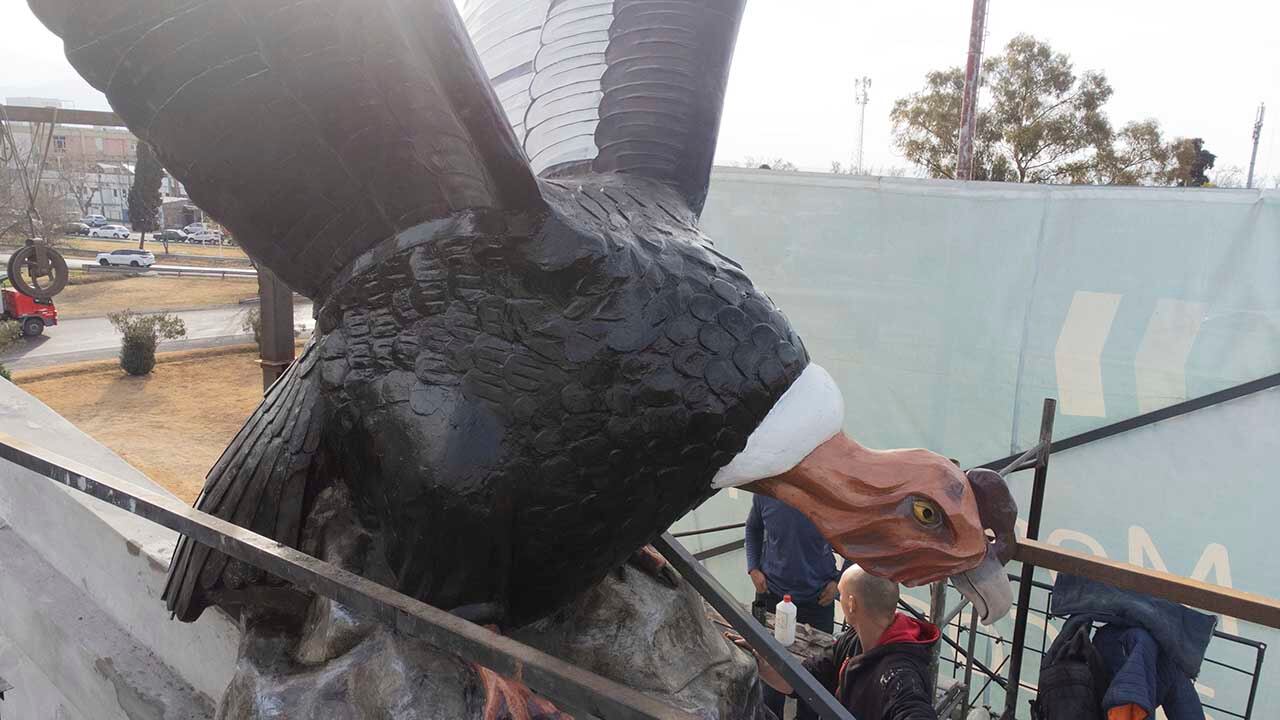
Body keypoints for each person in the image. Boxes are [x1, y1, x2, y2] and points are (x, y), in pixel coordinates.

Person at [743, 564, 940, 720]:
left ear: (852, 604)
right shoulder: (853, 639)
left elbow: (914, 709)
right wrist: (763, 664)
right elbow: (805, 679)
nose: (839, 599)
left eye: (841, 594)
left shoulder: (900, 675)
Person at [745, 495, 842, 719]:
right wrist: (753, 568)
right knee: (770, 683)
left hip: (817, 601)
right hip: (772, 595)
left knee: (814, 689)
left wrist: (839, 581)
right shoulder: (766, 491)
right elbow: (753, 528)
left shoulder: (827, 495)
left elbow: (857, 541)